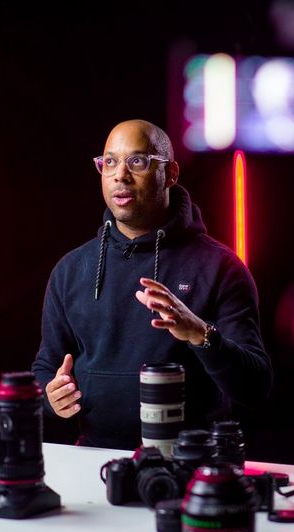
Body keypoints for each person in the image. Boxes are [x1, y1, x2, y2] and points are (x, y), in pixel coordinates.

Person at [32, 119, 272, 449]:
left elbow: (256, 386)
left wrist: (201, 335)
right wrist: (50, 395)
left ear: (170, 174)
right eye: (110, 162)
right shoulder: (71, 270)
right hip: (94, 458)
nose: (120, 175)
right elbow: (46, 366)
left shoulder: (220, 268)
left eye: (138, 161)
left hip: (192, 462)